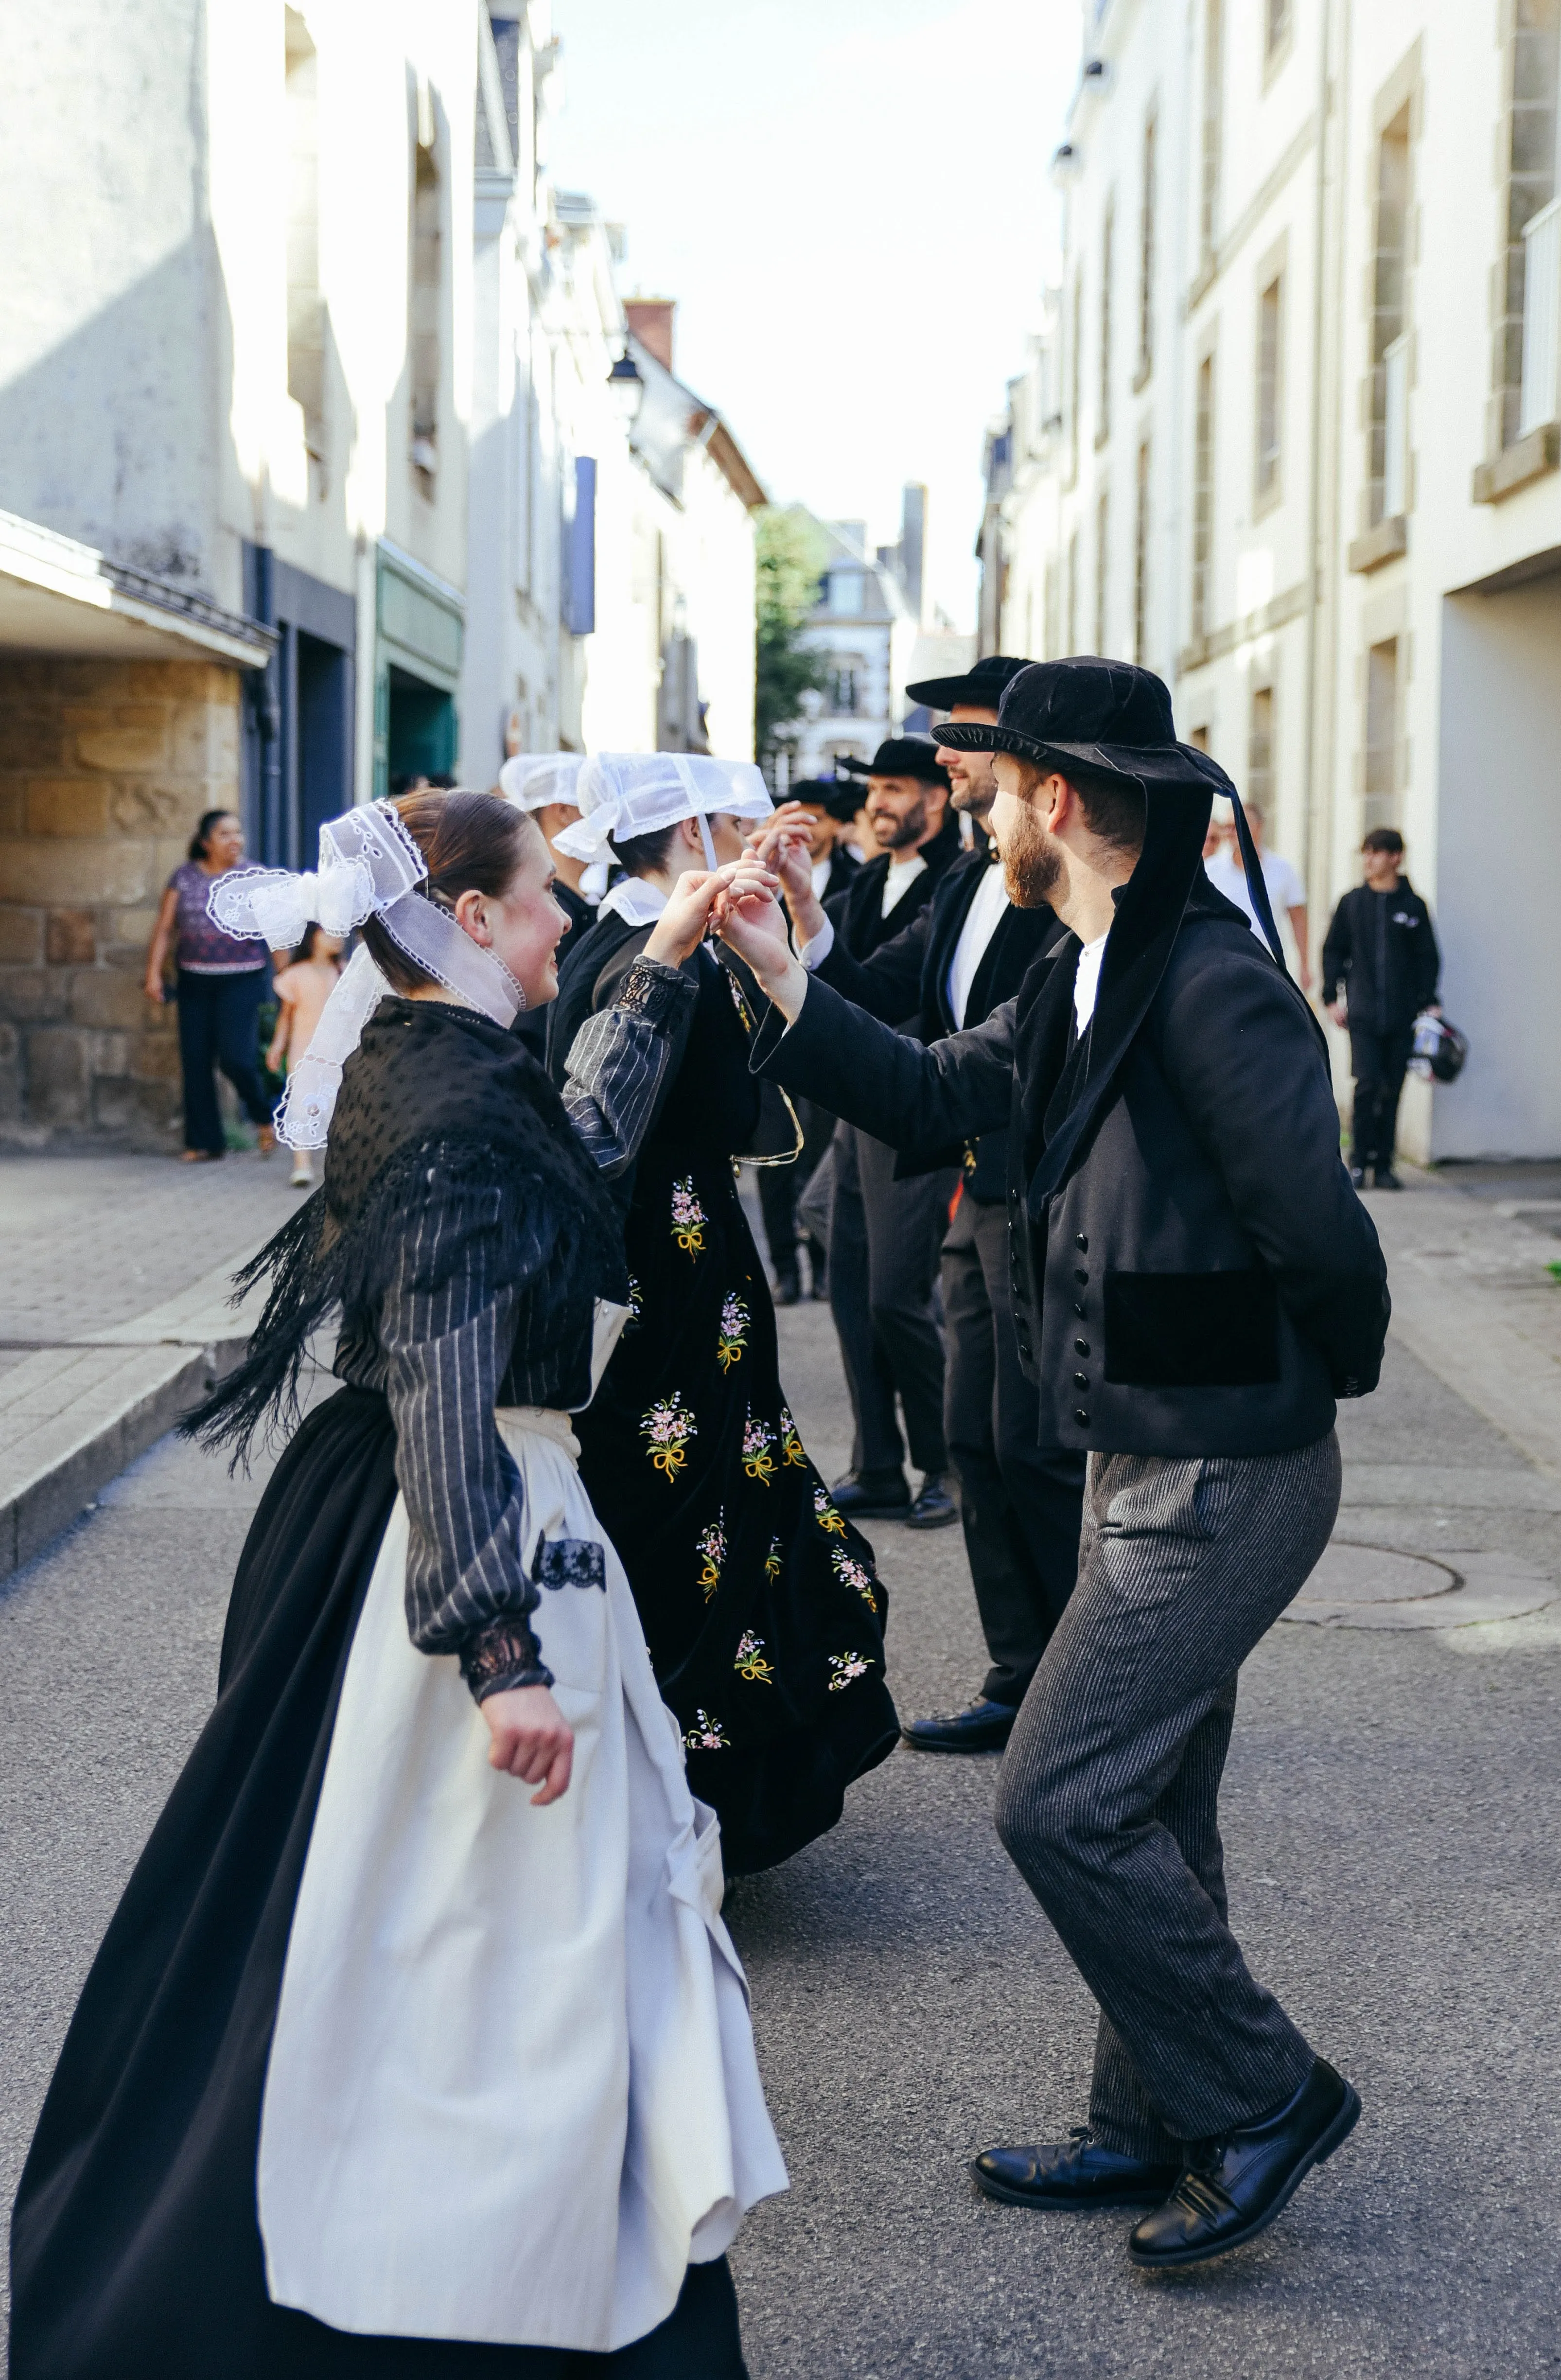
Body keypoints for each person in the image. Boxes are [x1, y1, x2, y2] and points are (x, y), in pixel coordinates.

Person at [11, 792, 786, 2376]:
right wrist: (499, 1652)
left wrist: (665, 961)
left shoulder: (446, 1063)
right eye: (543, 901)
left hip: (420, 1507)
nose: (566, 920)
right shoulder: (441, 1108)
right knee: (477, 1930)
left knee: (418, 1925)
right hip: (451, 1523)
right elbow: (441, 1370)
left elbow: (573, 1149)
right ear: (477, 922)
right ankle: (454, 2295)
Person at [718, 657, 1389, 2271]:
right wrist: (774, 976)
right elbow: (930, 1087)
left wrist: (1306, 1384)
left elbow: (1318, 1229)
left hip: (1222, 1462)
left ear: (1062, 804)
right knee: (1149, 1792)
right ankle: (1151, 2112)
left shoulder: (1206, 977)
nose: (977, 803)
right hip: (1146, 1452)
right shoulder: (1088, 963)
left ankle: (1256, 2091)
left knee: (1055, 1795)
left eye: (997, 784)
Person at [547, 754, 898, 1878]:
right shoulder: (667, 956)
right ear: (688, 831)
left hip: (661, 1272)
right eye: (738, 820)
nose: (755, 834)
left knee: (681, 1507)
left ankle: (665, 1783)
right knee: (700, 1517)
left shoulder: (602, 936)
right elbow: (760, 1110)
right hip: (680, 1276)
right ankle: (703, 1788)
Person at [757, 655, 1084, 1753]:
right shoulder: (964, 881)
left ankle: (1067, 1684)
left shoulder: (1066, 884)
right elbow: (875, 991)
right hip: (975, 1190)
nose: (939, 753)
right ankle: (1018, 1673)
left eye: (960, 733)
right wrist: (801, 923)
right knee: (975, 1431)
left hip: (1040, 1193)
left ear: (1026, 751)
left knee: (1034, 1443)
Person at [822, 738, 963, 1530]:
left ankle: (943, 1463)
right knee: (848, 1282)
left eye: (890, 789)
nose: (874, 803)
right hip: (854, 1101)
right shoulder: (867, 879)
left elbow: (890, 988)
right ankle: (877, 1464)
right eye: (872, 790)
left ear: (932, 802)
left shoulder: (956, 882)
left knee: (896, 1294)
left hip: (917, 1098)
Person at [756, 777, 863, 1304]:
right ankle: (784, 1268)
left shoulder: (855, 879)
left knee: (821, 1152)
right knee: (774, 1153)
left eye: (817, 817)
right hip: (772, 1036)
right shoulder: (761, 876)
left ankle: (822, 1261)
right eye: (799, 817)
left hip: (830, 1036)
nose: (809, 829)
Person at [144, 808, 278, 1162]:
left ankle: (263, 1115)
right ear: (206, 842)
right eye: (225, 834)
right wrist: (154, 974)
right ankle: (205, 1142)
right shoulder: (184, 877)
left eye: (238, 833)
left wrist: (285, 976)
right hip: (194, 980)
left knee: (237, 1058)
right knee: (196, 1059)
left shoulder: (254, 877)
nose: (236, 840)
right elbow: (164, 928)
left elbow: (278, 931)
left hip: (242, 978)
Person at [1321, 826, 1441, 1192]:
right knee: (1367, 1085)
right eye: (1366, 853)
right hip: (1363, 1013)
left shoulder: (1413, 906)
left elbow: (1428, 958)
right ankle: (1358, 1162)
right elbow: (1334, 950)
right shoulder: (1352, 903)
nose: (1368, 860)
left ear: (1395, 858)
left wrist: (1429, 1001)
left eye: (1376, 853)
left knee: (1392, 1088)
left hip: (1402, 1015)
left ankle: (1384, 1165)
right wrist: (1331, 996)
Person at [500, 753, 603, 1066]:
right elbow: (532, 1031)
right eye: (596, 805)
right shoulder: (543, 910)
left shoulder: (577, 902)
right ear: (565, 812)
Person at [1204, 798, 1312, 990]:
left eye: (1236, 825)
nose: (1230, 833)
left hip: (1269, 971)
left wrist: (1304, 965)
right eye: (1227, 827)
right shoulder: (1210, 870)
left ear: (1258, 827)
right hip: (1221, 970)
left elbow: (1298, 919)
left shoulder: (1283, 870)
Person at [266, 925, 345, 1188]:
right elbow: (286, 1017)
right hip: (303, 1049)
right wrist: (277, 1047)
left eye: (340, 933)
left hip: (337, 1050)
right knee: (301, 1106)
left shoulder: (344, 971)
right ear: (314, 938)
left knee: (337, 1104)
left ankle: (337, 1163)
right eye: (331, 933)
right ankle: (302, 1165)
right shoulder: (296, 974)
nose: (338, 939)